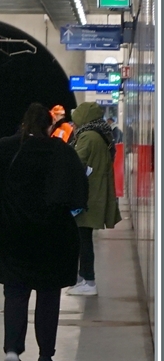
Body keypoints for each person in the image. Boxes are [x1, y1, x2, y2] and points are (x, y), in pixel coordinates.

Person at [0, 103, 88, 361]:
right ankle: (45, 357)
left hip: (13, 233)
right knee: (48, 294)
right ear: (49, 126)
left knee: (15, 292)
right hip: (52, 235)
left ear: (23, 124)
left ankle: (12, 351)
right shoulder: (63, 152)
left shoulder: (4, 150)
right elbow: (79, 193)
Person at [69, 101, 121, 296]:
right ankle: (83, 278)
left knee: (83, 239)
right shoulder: (101, 134)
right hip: (94, 193)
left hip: (88, 196)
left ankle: (88, 281)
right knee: (84, 238)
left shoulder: (88, 137)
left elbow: (76, 162)